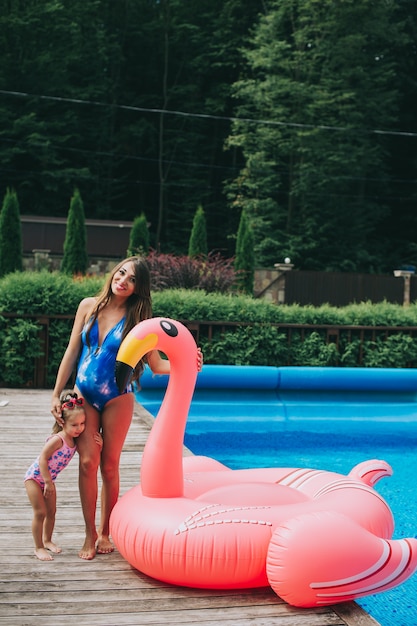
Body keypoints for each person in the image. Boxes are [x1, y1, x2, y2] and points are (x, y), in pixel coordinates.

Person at [50, 256, 203, 560]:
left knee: (109, 465)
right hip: (84, 395)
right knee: (87, 463)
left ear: (138, 288)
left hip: (118, 398)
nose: (123, 281)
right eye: (122, 273)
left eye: (132, 279)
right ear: (113, 273)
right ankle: (89, 534)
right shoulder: (87, 306)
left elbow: (157, 365)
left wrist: (187, 361)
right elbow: (72, 350)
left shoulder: (139, 321)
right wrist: (56, 394)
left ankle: (106, 532)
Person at [25, 390, 102, 561]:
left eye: (82, 424)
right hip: (35, 478)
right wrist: (47, 481)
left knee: (52, 512)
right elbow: (43, 458)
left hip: (48, 480)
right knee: (40, 512)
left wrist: (99, 444)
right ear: (62, 423)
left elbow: (89, 455)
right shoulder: (58, 439)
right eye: (74, 425)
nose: (79, 428)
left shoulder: (75, 440)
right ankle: (38, 547)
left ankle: (47, 540)